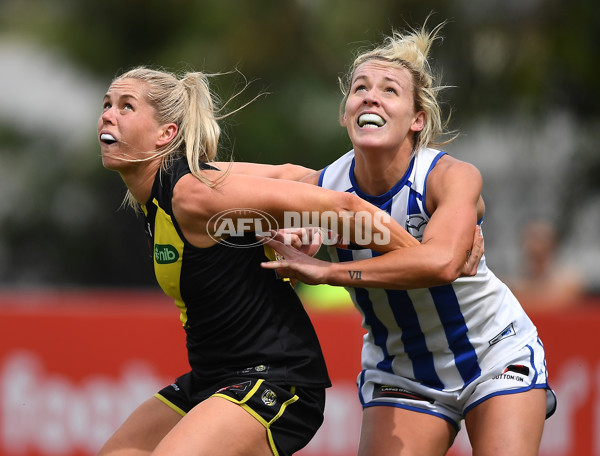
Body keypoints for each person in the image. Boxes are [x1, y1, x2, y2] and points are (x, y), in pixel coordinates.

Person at [96, 66, 483, 456]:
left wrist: (428, 259)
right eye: (108, 104)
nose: (109, 114)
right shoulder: (162, 196)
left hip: (276, 381)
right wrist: (285, 223)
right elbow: (292, 176)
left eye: (126, 106)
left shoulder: (192, 194)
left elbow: (343, 205)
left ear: (166, 134)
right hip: (214, 378)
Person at [261, 22, 557, 455]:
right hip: (402, 370)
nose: (370, 96)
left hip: (494, 353)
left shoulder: (449, 176)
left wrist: (331, 271)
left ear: (417, 120)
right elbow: (247, 193)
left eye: (389, 90)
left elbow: (440, 263)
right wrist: (297, 236)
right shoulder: (323, 188)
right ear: (346, 113)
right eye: (359, 87)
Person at [508, 219, 585, 312]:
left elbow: (560, 304)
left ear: (553, 243)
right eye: (530, 238)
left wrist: (525, 295)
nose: (534, 245)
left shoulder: (570, 278)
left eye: (539, 238)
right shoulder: (516, 283)